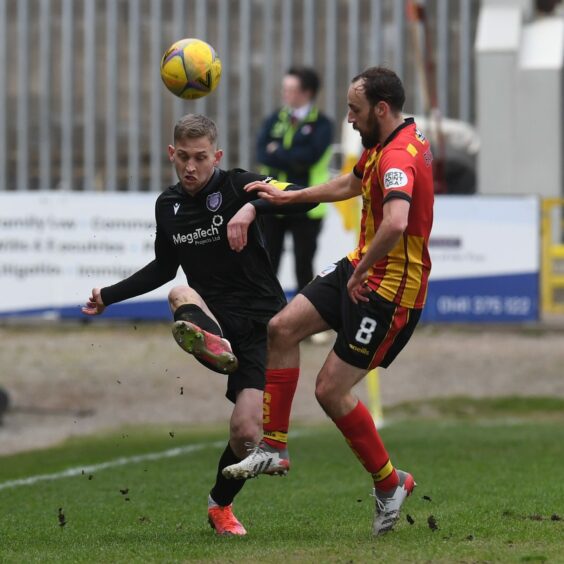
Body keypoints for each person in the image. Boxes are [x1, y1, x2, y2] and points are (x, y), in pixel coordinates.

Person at [222, 67, 435, 537]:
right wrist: (286, 198)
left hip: (389, 292)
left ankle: (389, 484)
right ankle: (273, 448)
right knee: (281, 328)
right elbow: (350, 184)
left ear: (381, 109)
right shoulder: (383, 143)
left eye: (355, 110)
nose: (349, 118)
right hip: (358, 269)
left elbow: (397, 220)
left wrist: (361, 271)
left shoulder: (399, 154)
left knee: (330, 391)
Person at [82, 114, 314, 537]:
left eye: (201, 158)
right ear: (172, 154)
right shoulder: (167, 206)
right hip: (212, 311)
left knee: (247, 433)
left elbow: (305, 197)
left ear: (217, 156)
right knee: (178, 293)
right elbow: (163, 269)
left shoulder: (238, 184)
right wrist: (108, 296)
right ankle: (210, 339)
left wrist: (253, 205)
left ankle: (219, 505)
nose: (191, 167)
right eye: (184, 157)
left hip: (263, 324)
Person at [256, 66, 334, 293]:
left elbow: (309, 158)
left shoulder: (322, 124)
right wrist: (289, 156)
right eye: (284, 88)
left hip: (306, 205)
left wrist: (277, 151)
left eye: (290, 89)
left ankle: (304, 322)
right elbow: (261, 153)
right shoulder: (274, 119)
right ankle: (266, 320)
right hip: (271, 203)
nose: (285, 94)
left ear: (307, 93)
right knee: (267, 264)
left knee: (303, 266)